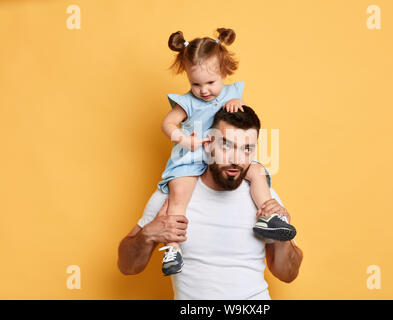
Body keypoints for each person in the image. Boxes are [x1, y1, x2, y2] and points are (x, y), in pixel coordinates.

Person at [118, 106, 303, 300]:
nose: (236, 159)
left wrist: (283, 239)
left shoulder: (264, 197)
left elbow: (288, 274)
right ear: (208, 145)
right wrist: (147, 234)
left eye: (246, 149)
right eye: (226, 146)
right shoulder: (174, 196)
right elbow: (127, 266)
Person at [157, 28, 296, 276]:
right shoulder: (188, 102)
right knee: (178, 199)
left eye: (211, 82)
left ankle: (269, 214)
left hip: (222, 156)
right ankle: (173, 248)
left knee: (258, 171)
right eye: (195, 84)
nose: (204, 90)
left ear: (224, 72)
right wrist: (182, 139)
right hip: (192, 157)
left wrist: (238, 104)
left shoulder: (233, 94)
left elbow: (243, 119)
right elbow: (167, 124)